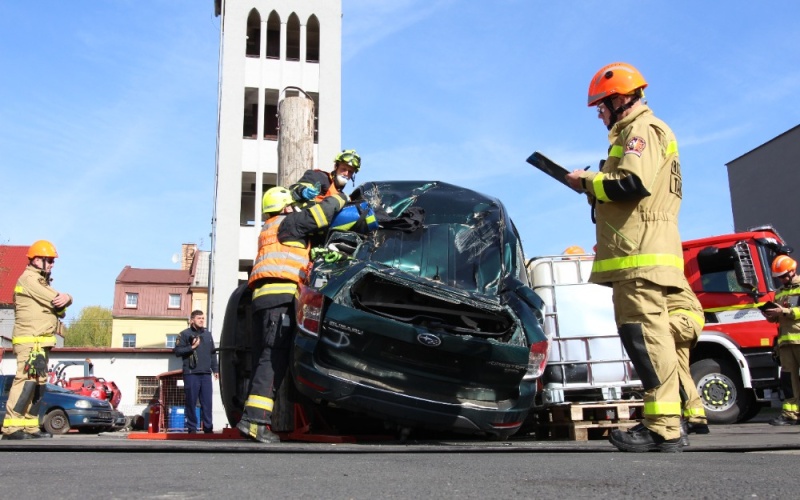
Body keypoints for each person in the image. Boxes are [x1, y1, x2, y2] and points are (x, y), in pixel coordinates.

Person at [566, 62, 685, 452]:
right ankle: (668, 423)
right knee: (652, 339)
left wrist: (585, 181)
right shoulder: (644, 130)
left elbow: (631, 183)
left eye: (601, 106)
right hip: (645, 250)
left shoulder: (640, 130)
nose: (599, 115)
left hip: (639, 253)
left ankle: (663, 428)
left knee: (646, 340)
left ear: (619, 99)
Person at [237, 186, 347, 443]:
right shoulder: (290, 223)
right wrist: (339, 195)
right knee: (272, 359)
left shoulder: (270, 228)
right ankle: (255, 422)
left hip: (263, 300)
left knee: (265, 358)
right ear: (286, 207)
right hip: (281, 299)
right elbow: (324, 212)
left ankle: (252, 418)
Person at [2, 240, 72, 440]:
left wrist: (64, 301)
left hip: (40, 342)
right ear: (35, 260)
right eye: (48, 260)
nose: (51, 264)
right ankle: (11, 427)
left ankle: (29, 425)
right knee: (24, 381)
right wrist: (68, 297)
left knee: (38, 383)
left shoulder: (41, 281)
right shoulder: (29, 279)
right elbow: (55, 299)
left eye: (52, 261)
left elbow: (61, 308)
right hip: (29, 341)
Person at [668, 279, 710, 444]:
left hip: (679, 320)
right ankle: (697, 418)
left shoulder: (656, 276)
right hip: (687, 319)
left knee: (673, 371)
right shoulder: (672, 273)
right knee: (681, 371)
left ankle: (675, 419)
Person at [762, 255, 800, 426]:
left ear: (793, 271)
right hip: (785, 343)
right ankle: (790, 413)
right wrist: (770, 315)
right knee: (788, 379)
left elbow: (793, 312)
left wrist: (786, 312)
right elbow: (778, 318)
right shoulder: (779, 293)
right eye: (779, 277)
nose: (782, 280)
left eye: (784, 276)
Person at [173, 310, 218, 433]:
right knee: (191, 402)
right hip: (191, 373)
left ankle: (208, 428)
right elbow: (177, 351)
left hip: (206, 374)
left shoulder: (208, 335)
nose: (202, 320)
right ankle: (192, 428)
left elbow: (212, 354)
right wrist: (192, 347)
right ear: (192, 320)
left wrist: (215, 369)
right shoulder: (184, 334)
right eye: (199, 318)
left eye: (203, 318)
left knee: (207, 403)